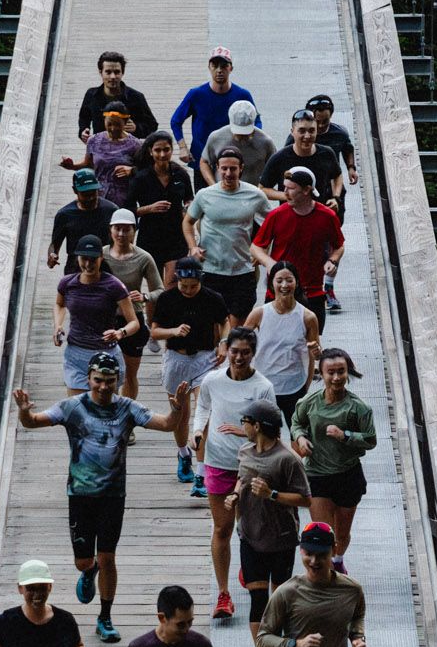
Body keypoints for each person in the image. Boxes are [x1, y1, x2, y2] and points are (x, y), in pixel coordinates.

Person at [13, 352, 184, 644]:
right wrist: (24, 411)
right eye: (98, 381)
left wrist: (179, 410)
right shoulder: (72, 407)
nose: (104, 387)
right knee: (84, 561)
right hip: (80, 495)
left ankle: (105, 616)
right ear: (89, 379)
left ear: (118, 380)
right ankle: (88, 571)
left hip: (112, 495)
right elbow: (32, 422)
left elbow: (167, 424)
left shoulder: (128, 408)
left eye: (110, 381)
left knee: (108, 556)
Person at [189, 327, 280, 625]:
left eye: (245, 352)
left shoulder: (262, 386)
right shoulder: (213, 380)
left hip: (252, 464)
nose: (239, 357)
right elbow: (202, 408)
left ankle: (250, 570)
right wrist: (198, 431)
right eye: (234, 351)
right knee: (222, 528)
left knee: (251, 528)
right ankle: (223, 593)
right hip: (218, 461)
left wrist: (244, 431)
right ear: (226, 350)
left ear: (253, 353)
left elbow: (272, 426)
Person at [232, 401, 311, 647]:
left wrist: (272, 494)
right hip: (249, 534)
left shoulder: (287, 459)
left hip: (280, 538)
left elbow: (304, 499)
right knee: (257, 599)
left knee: (277, 599)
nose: (243, 427)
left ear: (257, 425)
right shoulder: (244, 452)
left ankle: (278, 639)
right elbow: (242, 480)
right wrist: (235, 495)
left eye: (245, 421)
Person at [291, 348, 378, 569]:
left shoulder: (359, 408)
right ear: (322, 373)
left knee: (342, 534)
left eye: (341, 371)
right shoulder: (309, 402)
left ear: (348, 372)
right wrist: (300, 438)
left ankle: (338, 560)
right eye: (331, 372)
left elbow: (370, 440)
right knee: (323, 532)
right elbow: (296, 422)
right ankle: (327, 574)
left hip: (348, 475)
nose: (337, 377)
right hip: (317, 474)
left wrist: (345, 436)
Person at [148, 254, 228, 491]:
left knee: (204, 411)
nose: (189, 290)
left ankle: (202, 473)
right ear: (177, 282)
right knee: (180, 412)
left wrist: (224, 341)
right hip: (176, 358)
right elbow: (154, 332)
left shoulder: (212, 298)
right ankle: (183, 454)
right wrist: (173, 331)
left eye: (194, 286)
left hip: (205, 357)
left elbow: (225, 321)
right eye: (184, 286)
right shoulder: (167, 299)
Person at [184, 147, 272, 330]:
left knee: (236, 327)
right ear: (217, 168)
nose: (228, 173)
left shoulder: (255, 194)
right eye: (224, 168)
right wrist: (193, 247)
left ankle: (233, 357)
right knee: (213, 325)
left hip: (242, 270)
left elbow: (271, 224)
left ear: (241, 169)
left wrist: (263, 250)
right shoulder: (205, 195)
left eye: (233, 169)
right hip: (211, 269)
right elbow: (188, 222)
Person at [250, 169, 346, 321]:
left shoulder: (327, 216)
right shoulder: (277, 215)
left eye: (291, 189)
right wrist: (270, 263)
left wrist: (332, 260)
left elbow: (339, 245)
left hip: (312, 292)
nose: (285, 193)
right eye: (284, 187)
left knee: (311, 341)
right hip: (278, 292)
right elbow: (256, 247)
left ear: (307, 190)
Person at [52, 236, 138, 398]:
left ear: (101, 258)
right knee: (77, 410)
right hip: (76, 354)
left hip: (106, 355)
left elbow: (134, 323)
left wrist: (120, 333)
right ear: (78, 258)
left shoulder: (114, 286)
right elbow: (59, 304)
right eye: (84, 259)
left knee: (105, 412)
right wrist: (58, 325)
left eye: (93, 260)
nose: (88, 264)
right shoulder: (67, 283)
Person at [245, 262, 320, 411]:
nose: (284, 285)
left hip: (294, 386)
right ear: (272, 284)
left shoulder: (308, 317)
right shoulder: (259, 314)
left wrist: (306, 386)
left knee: (297, 433)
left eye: (289, 280)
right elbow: (240, 343)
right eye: (279, 281)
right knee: (264, 434)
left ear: (296, 283)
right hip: (264, 386)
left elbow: (314, 356)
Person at [105, 208, 163, 399]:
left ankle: (127, 417)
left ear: (134, 231)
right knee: (106, 373)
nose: (121, 234)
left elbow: (159, 290)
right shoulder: (101, 255)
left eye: (126, 229)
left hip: (133, 320)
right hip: (107, 320)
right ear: (111, 230)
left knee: (130, 374)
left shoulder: (143, 258)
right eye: (117, 229)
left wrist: (145, 297)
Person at [170, 49, 256, 172]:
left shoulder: (242, 95)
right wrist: (182, 147)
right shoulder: (196, 94)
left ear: (231, 68)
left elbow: (256, 121)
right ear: (209, 67)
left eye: (224, 66)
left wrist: (249, 141)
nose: (219, 70)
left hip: (232, 160)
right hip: (202, 157)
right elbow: (176, 121)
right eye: (215, 66)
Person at [131, 130, 196, 280]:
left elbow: (189, 198)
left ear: (171, 150)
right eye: (157, 150)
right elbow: (128, 209)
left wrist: (187, 208)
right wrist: (149, 208)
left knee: (172, 283)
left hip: (176, 236)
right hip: (150, 236)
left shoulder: (180, 174)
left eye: (166, 150)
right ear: (150, 151)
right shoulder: (141, 178)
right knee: (156, 286)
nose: (162, 154)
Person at [263, 108, 346, 210]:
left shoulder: (327, 153)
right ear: (292, 132)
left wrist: (336, 197)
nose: (307, 136)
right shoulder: (280, 158)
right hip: (290, 216)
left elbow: (337, 175)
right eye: (301, 131)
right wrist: (288, 195)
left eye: (311, 131)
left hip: (318, 216)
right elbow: (263, 189)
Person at [63, 102, 143, 205]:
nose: (113, 128)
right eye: (109, 124)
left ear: (125, 122)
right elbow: (88, 164)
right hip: (98, 197)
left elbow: (144, 169)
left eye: (117, 124)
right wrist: (72, 166)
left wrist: (132, 170)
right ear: (104, 121)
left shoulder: (135, 144)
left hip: (124, 198)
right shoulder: (94, 141)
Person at [77, 49, 157, 144]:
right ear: (100, 72)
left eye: (117, 72)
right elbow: (84, 118)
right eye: (108, 72)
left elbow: (152, 125)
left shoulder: (136, 97)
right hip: (101, 150)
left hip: (128, 151)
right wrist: (83, 131)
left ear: (122, 73)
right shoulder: (91, 95)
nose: (113, 77)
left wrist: (136, 128)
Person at [45, 165, 105, 270]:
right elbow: (55, 244)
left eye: (93, 193)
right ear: (75, 190)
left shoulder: (111, 210)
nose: (90, 198)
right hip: (75, 269)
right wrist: (52, 255)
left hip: (103, 268)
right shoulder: (64, 215)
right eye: (85, 194)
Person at [200, 99, 272, 185]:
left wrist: (263, 188)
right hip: (223, 191)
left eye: (246, 133)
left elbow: (274, 167)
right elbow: (204, 162)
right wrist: (213, 186)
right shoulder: (216, 137)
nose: (241, 136)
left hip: (252, 193)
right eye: (237, 133)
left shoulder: (265, 142)